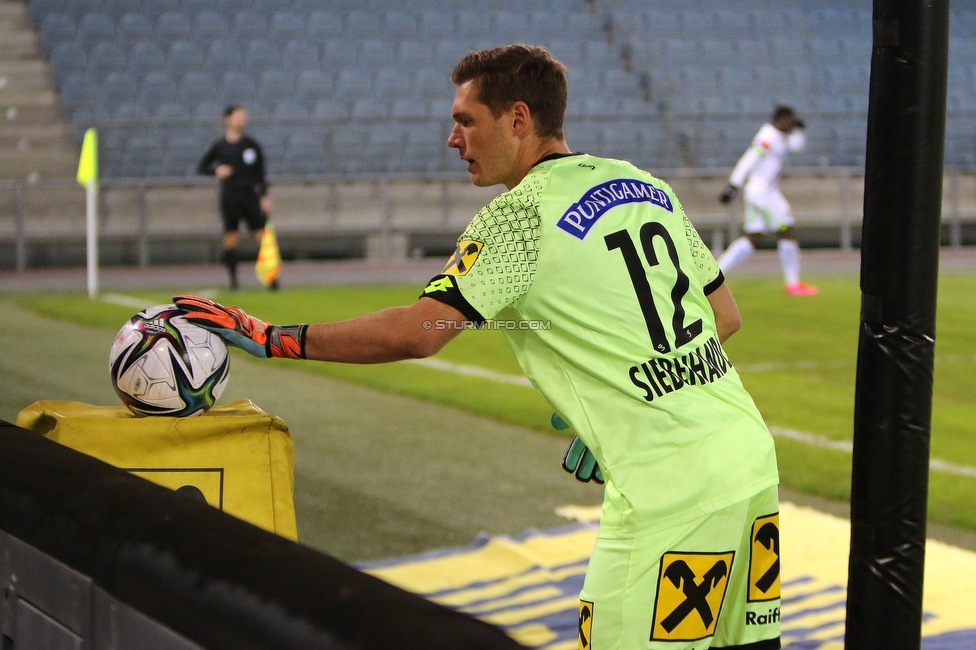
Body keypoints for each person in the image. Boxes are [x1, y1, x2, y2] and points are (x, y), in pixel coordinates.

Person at [174, 45, 781, 650]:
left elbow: (420, 330)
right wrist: (631, 405)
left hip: (668, 493)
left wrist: (272, 337)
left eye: (465, 121)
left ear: (518, 119)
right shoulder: (642, 184)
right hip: (747, 460)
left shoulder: (518, 216)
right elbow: (723, 316)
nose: (452, 139)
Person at [718, 106, 818, 296]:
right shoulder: (768, 135)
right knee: (786, 229)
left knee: (753, 237)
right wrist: (733, 185)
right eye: (791, 120)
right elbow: (750, 158)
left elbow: (796, 146)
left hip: (765, 191)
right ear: (782, 119)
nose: (792, 123)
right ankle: (793, 283)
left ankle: (715, 273)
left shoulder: (781, 136)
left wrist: (800, 129)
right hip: (762, 193)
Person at [197, 104, 277, 291]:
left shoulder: (251, 145)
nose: (243, 119)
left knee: (263, 237)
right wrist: (217, 170)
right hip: (230, 196)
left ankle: (272, 281)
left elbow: (261, 174)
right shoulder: (220, 147)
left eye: (244, 116)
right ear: (228, 118)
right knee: (231, 237)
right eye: (239, 116)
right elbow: (202, 167)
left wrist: (264, 196)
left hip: (250, 195)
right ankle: (234, 282)